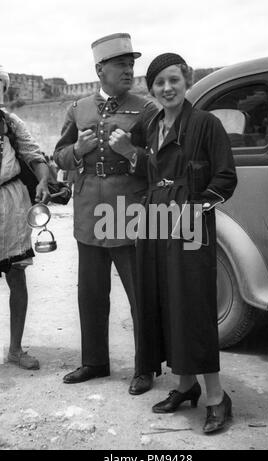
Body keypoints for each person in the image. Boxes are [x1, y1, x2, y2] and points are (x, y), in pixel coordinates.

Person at [109, 53, 237, 433]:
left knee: (193, 307)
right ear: (152, 90)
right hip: (154, 223)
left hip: (190, 226)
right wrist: (129, 153)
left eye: (173, 80)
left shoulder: (206, 125)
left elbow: (225, 180)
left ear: (186, 79)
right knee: (163, 302)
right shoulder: (151, 123)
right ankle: (185, 385)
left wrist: (194, 212)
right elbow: (152, 171)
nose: (167, 88)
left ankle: (216, 396)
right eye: (159, 83)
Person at [54, 33, 157, 394]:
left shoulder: (146, 109)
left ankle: (146, 367)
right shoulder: (78, 108)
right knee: (91, 293)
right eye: (121, 64)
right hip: (88, 213)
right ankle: (95, 361)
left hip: (128, 212)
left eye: (131, 64)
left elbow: (159, 165)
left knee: (139, 294)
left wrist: (131, 152)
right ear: (100, 69)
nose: (129, 70)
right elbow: (60, 155)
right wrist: (77, 151)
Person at [0, 66, 49, 369]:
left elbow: (35, 155)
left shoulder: (10, 122)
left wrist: (43, 180)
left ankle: (15, 349)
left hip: (11, 207)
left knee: (16, 276)